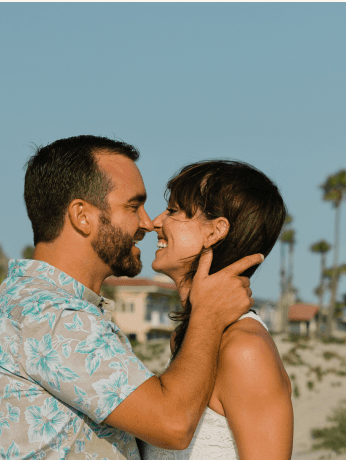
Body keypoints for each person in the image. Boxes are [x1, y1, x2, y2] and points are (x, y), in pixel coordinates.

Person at [0, 135, 263, 460]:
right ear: (82, 216)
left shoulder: (34, 305)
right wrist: (208, 314)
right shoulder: (51, 315)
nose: (148, 224)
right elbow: (173, 424)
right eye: (133, 206)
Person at [139, 160, 292, 460]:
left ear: (214, 232)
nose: (156, 222)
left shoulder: (244, 350)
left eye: (172, 211)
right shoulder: (190, 338)